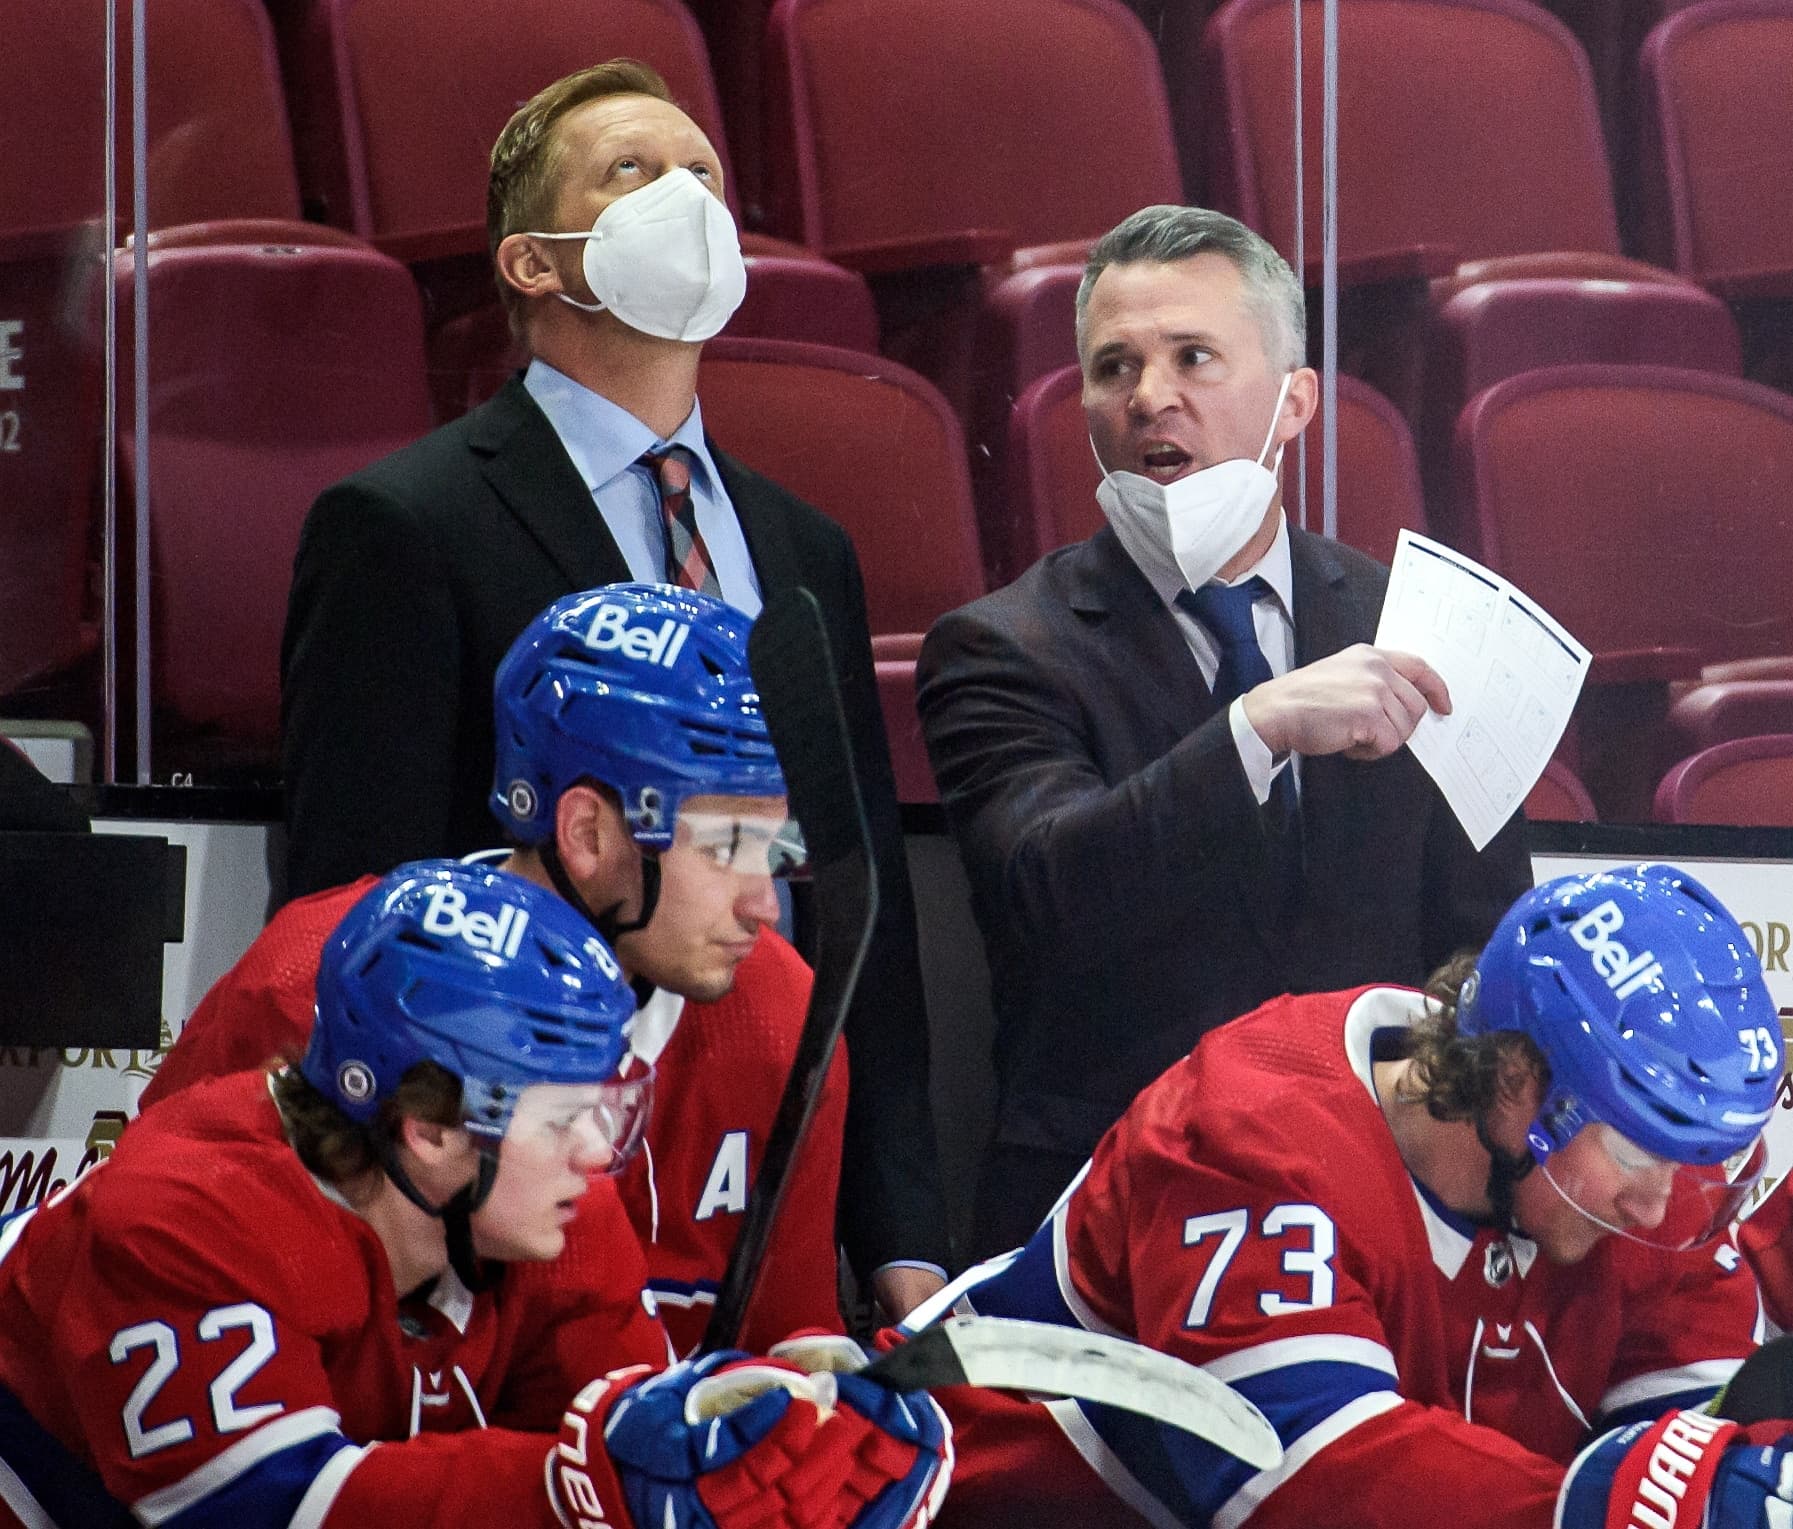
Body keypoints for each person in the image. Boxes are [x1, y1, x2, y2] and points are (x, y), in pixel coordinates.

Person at [281, 59, 948, 1313]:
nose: (687, 197)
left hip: (760, 1151)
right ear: (533, 261)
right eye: (635, 174)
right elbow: (350, 899)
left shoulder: (806, 548)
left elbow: (865, 917)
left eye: (704, 174)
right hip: (515, 1169)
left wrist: (898, 1228)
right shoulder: (401, 525)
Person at [916, 203, 1532, 1255]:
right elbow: (1045, 895)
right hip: (1103, 1222)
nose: (1149, 395)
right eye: (1113, 368)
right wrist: (1253, 727)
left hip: (1375, 1211)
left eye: (1192, 356)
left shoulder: (1420, 624)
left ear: (1292, 403)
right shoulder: (999, 645)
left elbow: (1484, 940)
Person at [0, 862, 951, 1529]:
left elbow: (622, 1429)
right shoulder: (180, 1220)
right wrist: (582, 1481)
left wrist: (762, 1436)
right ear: (431, 1126)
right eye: (564, 1115)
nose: (595, 1153)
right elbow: (269, 1510)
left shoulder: (548, 1209)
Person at [913, 864, 1792, 1529]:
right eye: (1639, 1153)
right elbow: (1296, 1477)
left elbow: (1695, 1454)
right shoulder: (1249, 1133)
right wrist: (1592, 1506)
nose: (1662, 1201)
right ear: (1518, 1081)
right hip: (968, 1493)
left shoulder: (1645, 1146)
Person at [147, 585, 848, 1356]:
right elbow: (154, 1286)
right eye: (726, 845)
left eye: (778, 852)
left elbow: (787, 1341)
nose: (766, 905)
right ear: (586, 832)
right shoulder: (312, 981)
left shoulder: (784, 1013)